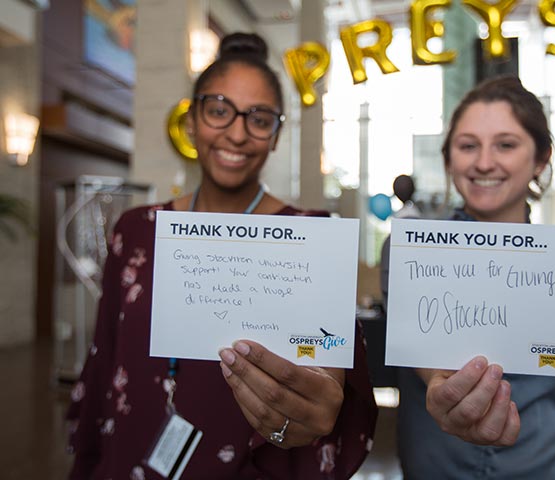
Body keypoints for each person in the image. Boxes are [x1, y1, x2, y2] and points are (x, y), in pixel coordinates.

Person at [66, 32, 377, 479]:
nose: (236, 133)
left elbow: (328, 363)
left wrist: (317, 403)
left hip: (245, 462)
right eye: (218, 111)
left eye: (259, 119)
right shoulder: (136, 230)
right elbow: (104, 359)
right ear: (191, 122)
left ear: (275, 136)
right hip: (134, 449)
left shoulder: (312, 238)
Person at [380, 76, 555, 479]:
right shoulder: (409, 253)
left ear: (541, 159)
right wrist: (442, 387)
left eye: (506, 144)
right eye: (468, 146)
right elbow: (426, 359)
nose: (484, 162)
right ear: (449, 160)